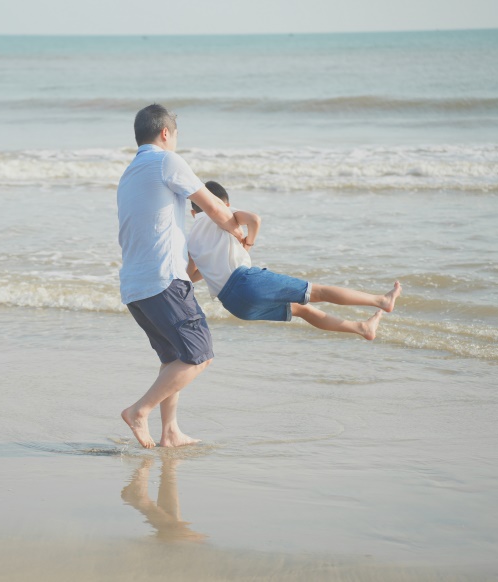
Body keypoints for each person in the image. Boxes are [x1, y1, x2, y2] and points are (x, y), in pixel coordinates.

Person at [117, 104, 246, 449]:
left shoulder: (129, 173)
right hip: (163, 279)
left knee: (173, 358)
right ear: (165, 133)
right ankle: (139, 411)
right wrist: (240, 235)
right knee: (200, 354)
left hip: (135, 286)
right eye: (175, 135)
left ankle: (170, 432)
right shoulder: (167, 161)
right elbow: (214, 206)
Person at [187, 181, 402, 340]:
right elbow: (254, 220)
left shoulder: (190, 238)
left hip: (234, 305)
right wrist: (248, 244)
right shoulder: (223, 212)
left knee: (302, 310)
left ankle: (363, 328)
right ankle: (381, 301)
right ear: (224, 203)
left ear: (192, 212)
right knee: (319, 292)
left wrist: (211, 265)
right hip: (245, 282)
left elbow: (191, 275)